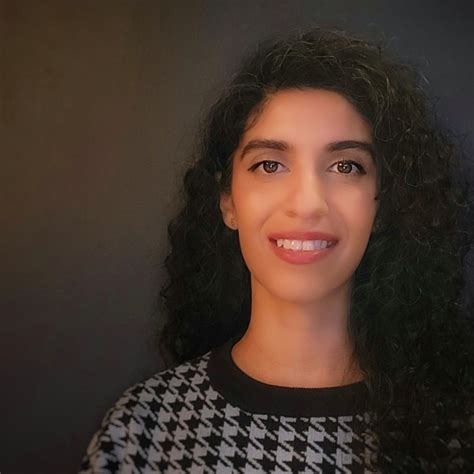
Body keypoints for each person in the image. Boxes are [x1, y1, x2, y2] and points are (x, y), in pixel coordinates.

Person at [79, 26, 474, 473]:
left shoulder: (458, 429)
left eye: (346, 166)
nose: (307, 203)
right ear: (228, 201)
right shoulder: (143, 431)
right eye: (270, 165)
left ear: (382, 203)